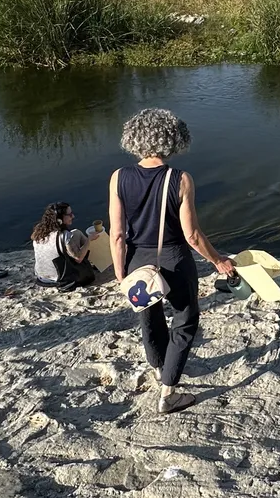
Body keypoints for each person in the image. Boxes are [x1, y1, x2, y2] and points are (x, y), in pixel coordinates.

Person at [109, 108, 234, 415]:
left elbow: (117, 233)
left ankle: (159, 367)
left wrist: (119, 271)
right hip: (174, 257)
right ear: (173, 139)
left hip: (138, 258)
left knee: (148, 318)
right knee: (185, 319)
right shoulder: (180, 179)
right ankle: (168, 392)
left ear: (134, 138)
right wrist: (218, 260)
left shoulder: (118, 177)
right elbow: (192, 235)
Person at [32, 202, 96, 290]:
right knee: (81, 249)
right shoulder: (63, 235)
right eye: (69, 215)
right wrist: (89, 240)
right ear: (59, 219)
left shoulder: (38, 232)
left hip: (42, 278)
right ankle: (98, 260)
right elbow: (78, 258)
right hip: (59, 278)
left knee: (76, 232)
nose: (73, 216)